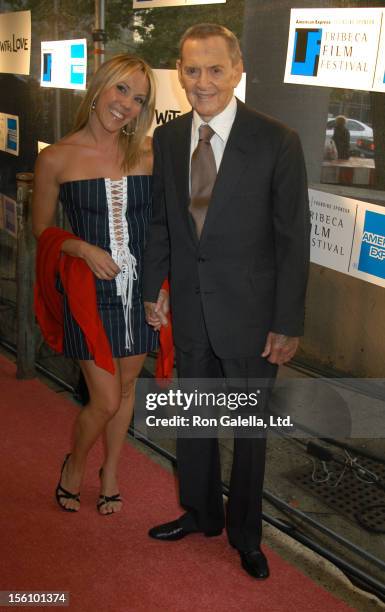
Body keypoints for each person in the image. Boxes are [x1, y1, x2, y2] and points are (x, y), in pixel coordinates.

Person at [143, 24, 310, 579]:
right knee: (193, 420)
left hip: (253, 319)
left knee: (249, 435)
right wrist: (155, 289)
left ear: (238, 71)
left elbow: (293, 238)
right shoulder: (167, 140)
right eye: (192, 70)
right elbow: (164, 225)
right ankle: (199, 513)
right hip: (190, 311)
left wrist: (287, 322)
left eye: (215, 69)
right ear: (180, 74)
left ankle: (246, 534)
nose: (203, 82)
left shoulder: (277, 140)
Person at [32, 54, 163, 515]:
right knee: (104, 398)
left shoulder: (148, 153)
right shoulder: (56, 158)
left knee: (126, 391)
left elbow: (162, 228)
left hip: (140, 292)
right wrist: (82, 249)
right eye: (121, 89)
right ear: (100, 88)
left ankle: (110, 472)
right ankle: (75, 465)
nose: (127, 105)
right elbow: (42, 231)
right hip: (88, 294)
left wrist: (161, 288)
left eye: (139, 98)